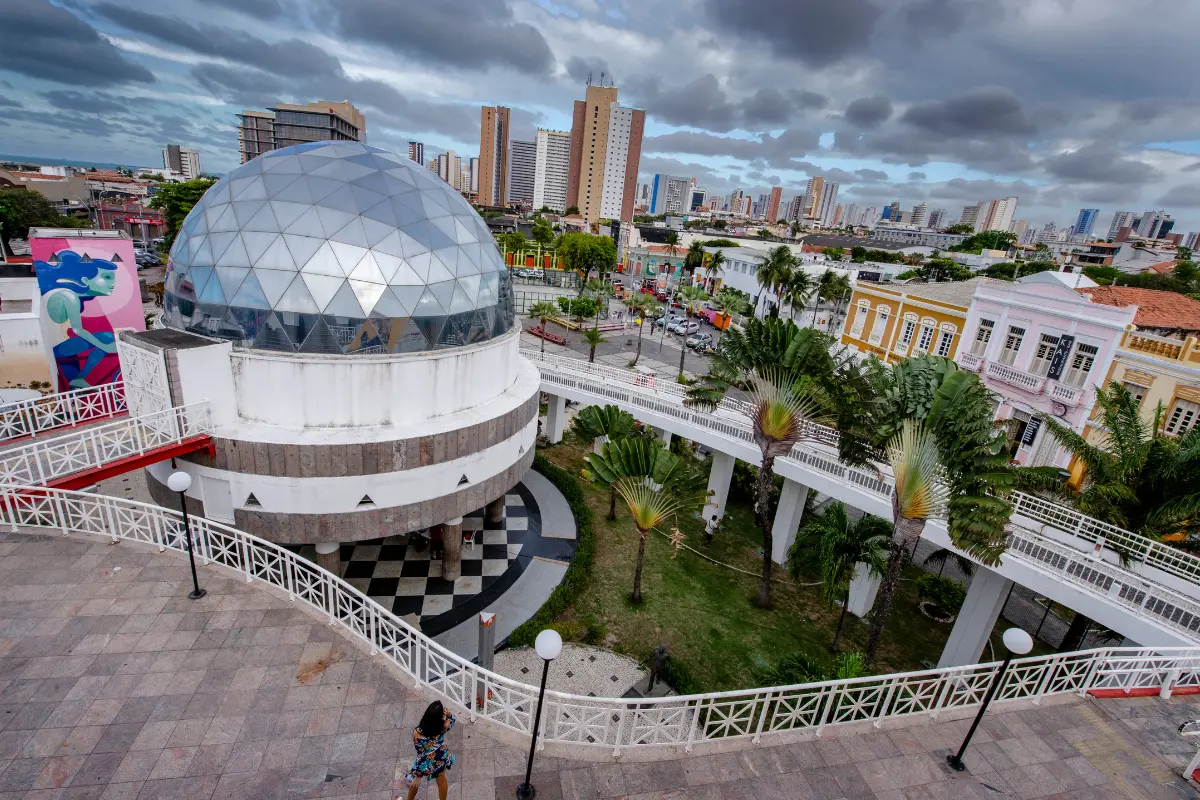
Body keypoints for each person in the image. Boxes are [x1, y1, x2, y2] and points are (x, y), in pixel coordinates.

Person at [402, 701, 455, 800]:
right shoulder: (442, 726)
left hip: (426, 759)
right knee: (442, 780)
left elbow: (421, 754)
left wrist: (418, 775)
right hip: (440, 756)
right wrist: (448, 715)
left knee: (414, 782)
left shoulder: (417, 733)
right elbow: (452, 720)